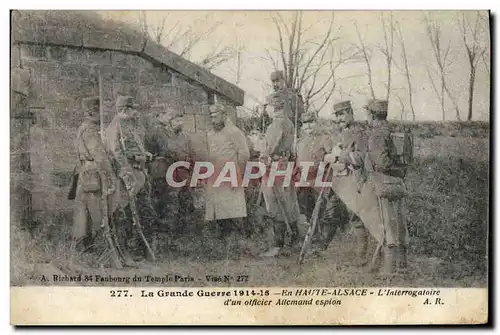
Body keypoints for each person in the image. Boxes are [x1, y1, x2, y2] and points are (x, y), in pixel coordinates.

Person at [104, 95, 156, 262]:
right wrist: (127, 175)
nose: (136, 112)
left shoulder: (129, 124)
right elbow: (116, 153)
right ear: (125, 110)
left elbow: (133, 147)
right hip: (127, 176)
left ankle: (140, 250)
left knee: (144, 211)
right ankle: (124, 252)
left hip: (139, 172)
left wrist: (143, 154)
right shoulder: (115, 126)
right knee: (124, 214)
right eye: (134, 109)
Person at [363, 99, 409, 274]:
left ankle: (389, 268)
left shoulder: (377, 134)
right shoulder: (393, 130)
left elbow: (382, 161)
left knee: (386, 223)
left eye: (368, 113)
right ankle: (402, 264)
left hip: (384, 182)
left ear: (372, 114)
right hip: (399, 181)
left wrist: (372, 165)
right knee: (400, 222)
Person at [323, 100, 369, 263]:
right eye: (337, 115)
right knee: (329, 213)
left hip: (353, 179)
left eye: (342, 114)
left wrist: (338, 156)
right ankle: (321, 249)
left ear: (350, 113)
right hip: (338, 181)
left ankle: (361, 255)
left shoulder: (360, 133)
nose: (339, 118)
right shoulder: (338, 133)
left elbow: (361, 157)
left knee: (355, 217)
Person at [69, 97, 115, 252]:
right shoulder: (90, 130)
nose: (104, 116)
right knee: (95, 210)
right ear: (93, 112)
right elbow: (99, 156)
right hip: (92, 173)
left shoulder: (84, 127)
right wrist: (109, 176)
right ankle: (98, 246)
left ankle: (84, 246)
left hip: (85, 172)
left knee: (83, 211)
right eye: (100, 112)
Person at [202, 102, 251, 241]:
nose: (213, 120)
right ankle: (223, 243)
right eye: (211, 116)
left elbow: (244, 154)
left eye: (215, 116)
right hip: (216, 176)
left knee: (233, 210)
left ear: (224, 115)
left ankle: (239, 243)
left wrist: (238, 174)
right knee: (219, 210)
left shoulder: (234, 132)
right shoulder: (213, 133)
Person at [260, 99, 301, 257]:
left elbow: (269, 147)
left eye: (268, 106)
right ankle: (294, 240)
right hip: (285, 165)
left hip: (275, 167)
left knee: (275, 204)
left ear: (274, 107)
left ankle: (278, 245)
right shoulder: (289, 123)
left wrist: (264, 155)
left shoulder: (276, 124)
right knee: (288, 203)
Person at [264, 70, 305, 137]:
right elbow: (265, 121)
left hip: (289, 134)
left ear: (283, 81)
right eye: (273, 81)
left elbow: (299, 118)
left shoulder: (292, 96)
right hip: (274, 134)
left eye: (277, 81)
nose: (275, 84)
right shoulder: (270, 99)